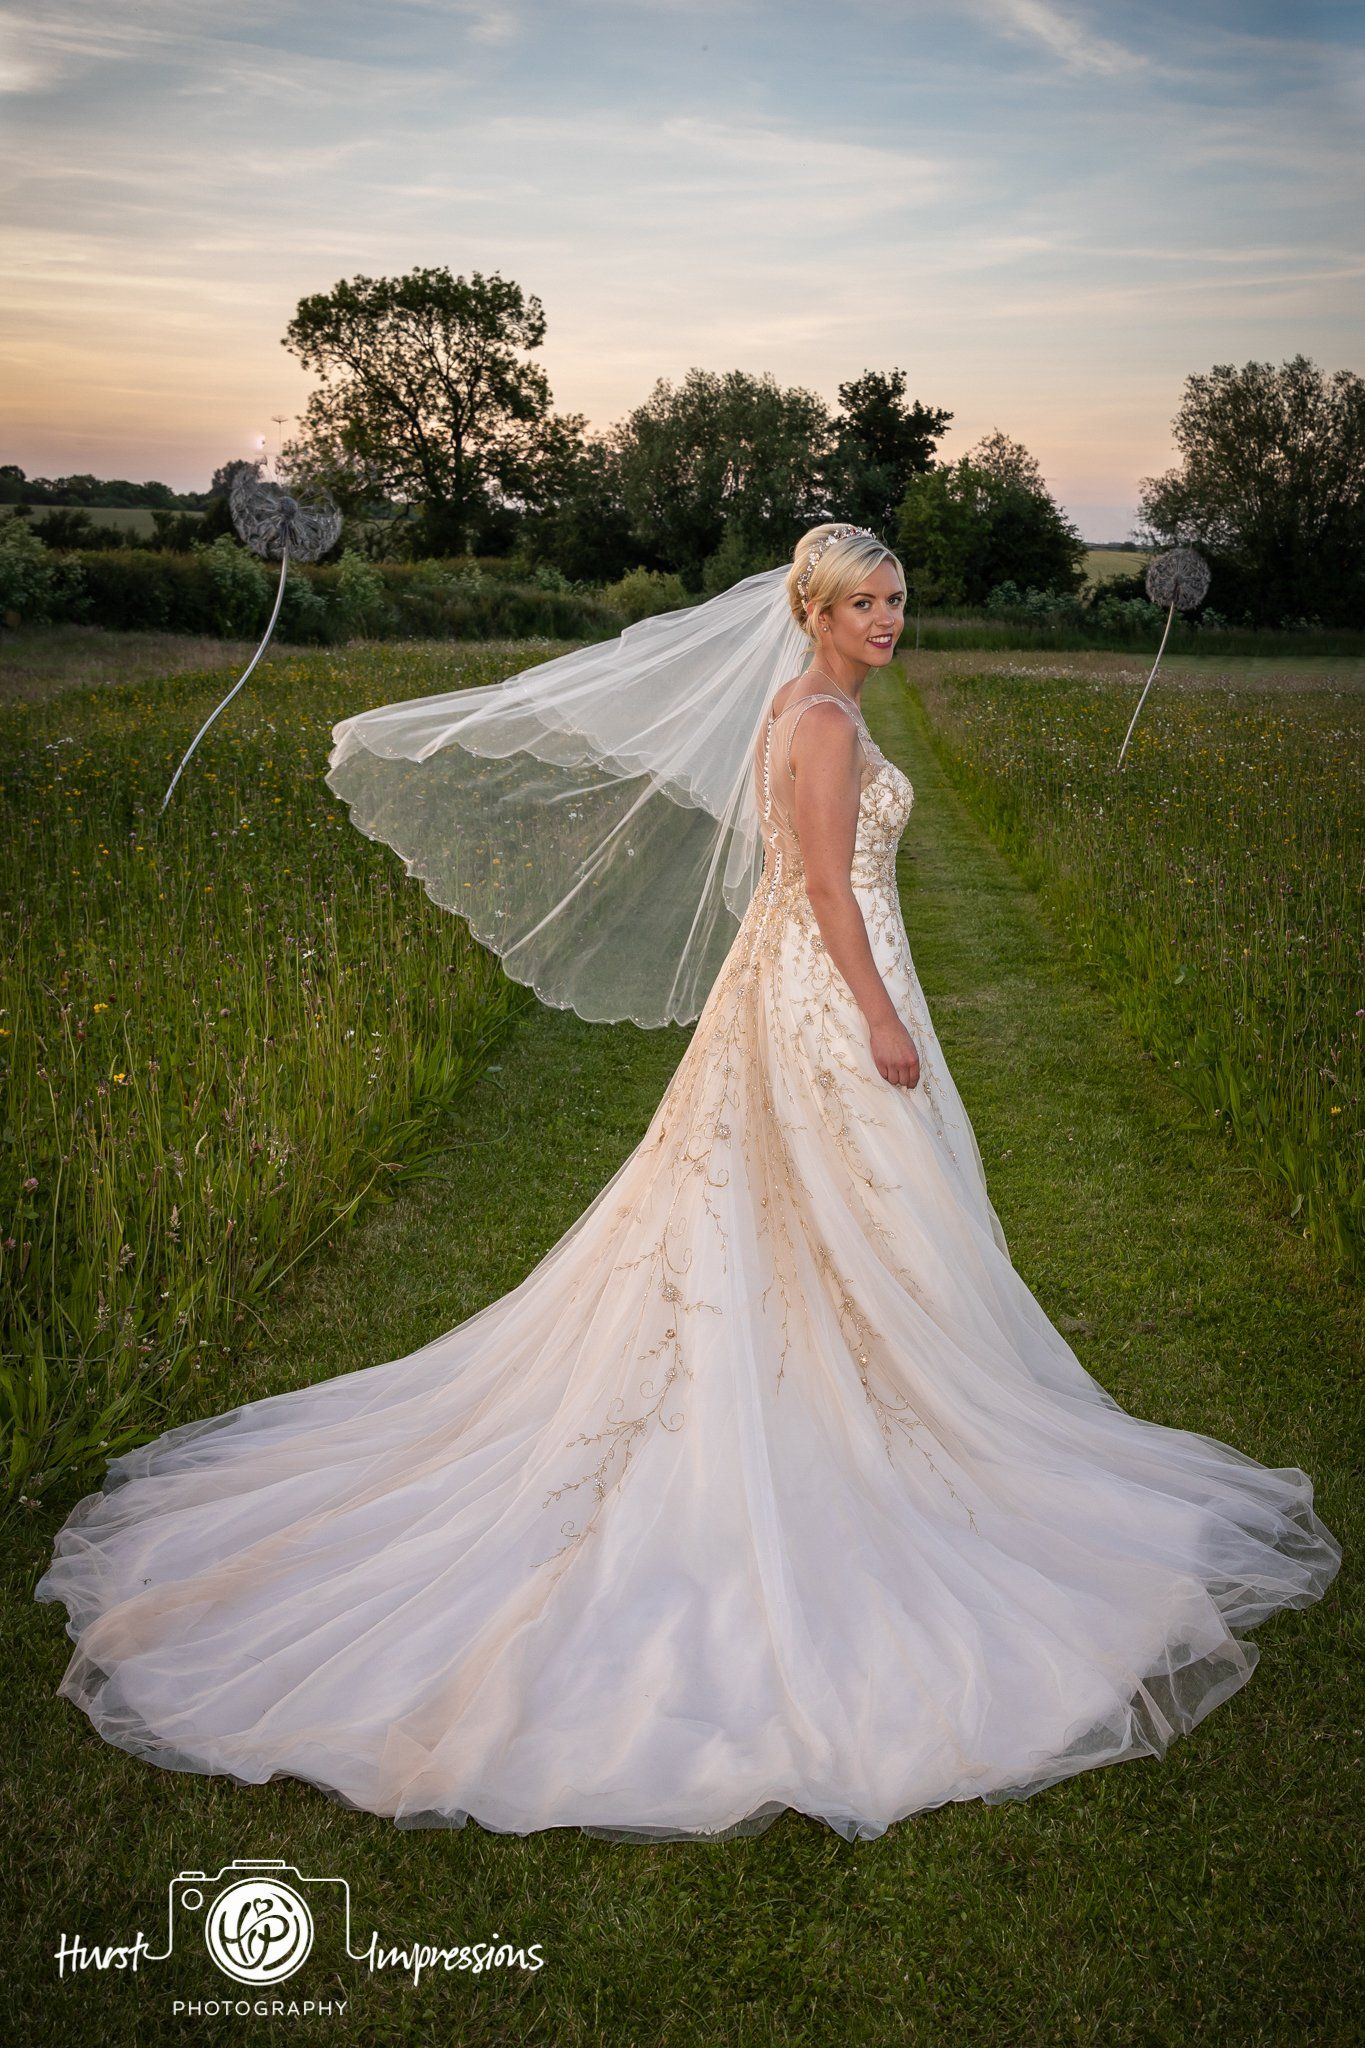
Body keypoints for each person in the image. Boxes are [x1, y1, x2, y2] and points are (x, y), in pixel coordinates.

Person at [34, 524, 1341, 1844]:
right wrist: (881, 1016)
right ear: (814, 613)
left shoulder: (798, 698)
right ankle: (839, 1416)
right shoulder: (821, 719)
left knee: (814, 1210)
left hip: (782, 984)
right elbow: (825, 884)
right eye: (863, 603)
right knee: (859, 1203)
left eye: (895, 600)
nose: (888, 619)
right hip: (825, 990)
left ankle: (832, 1385)